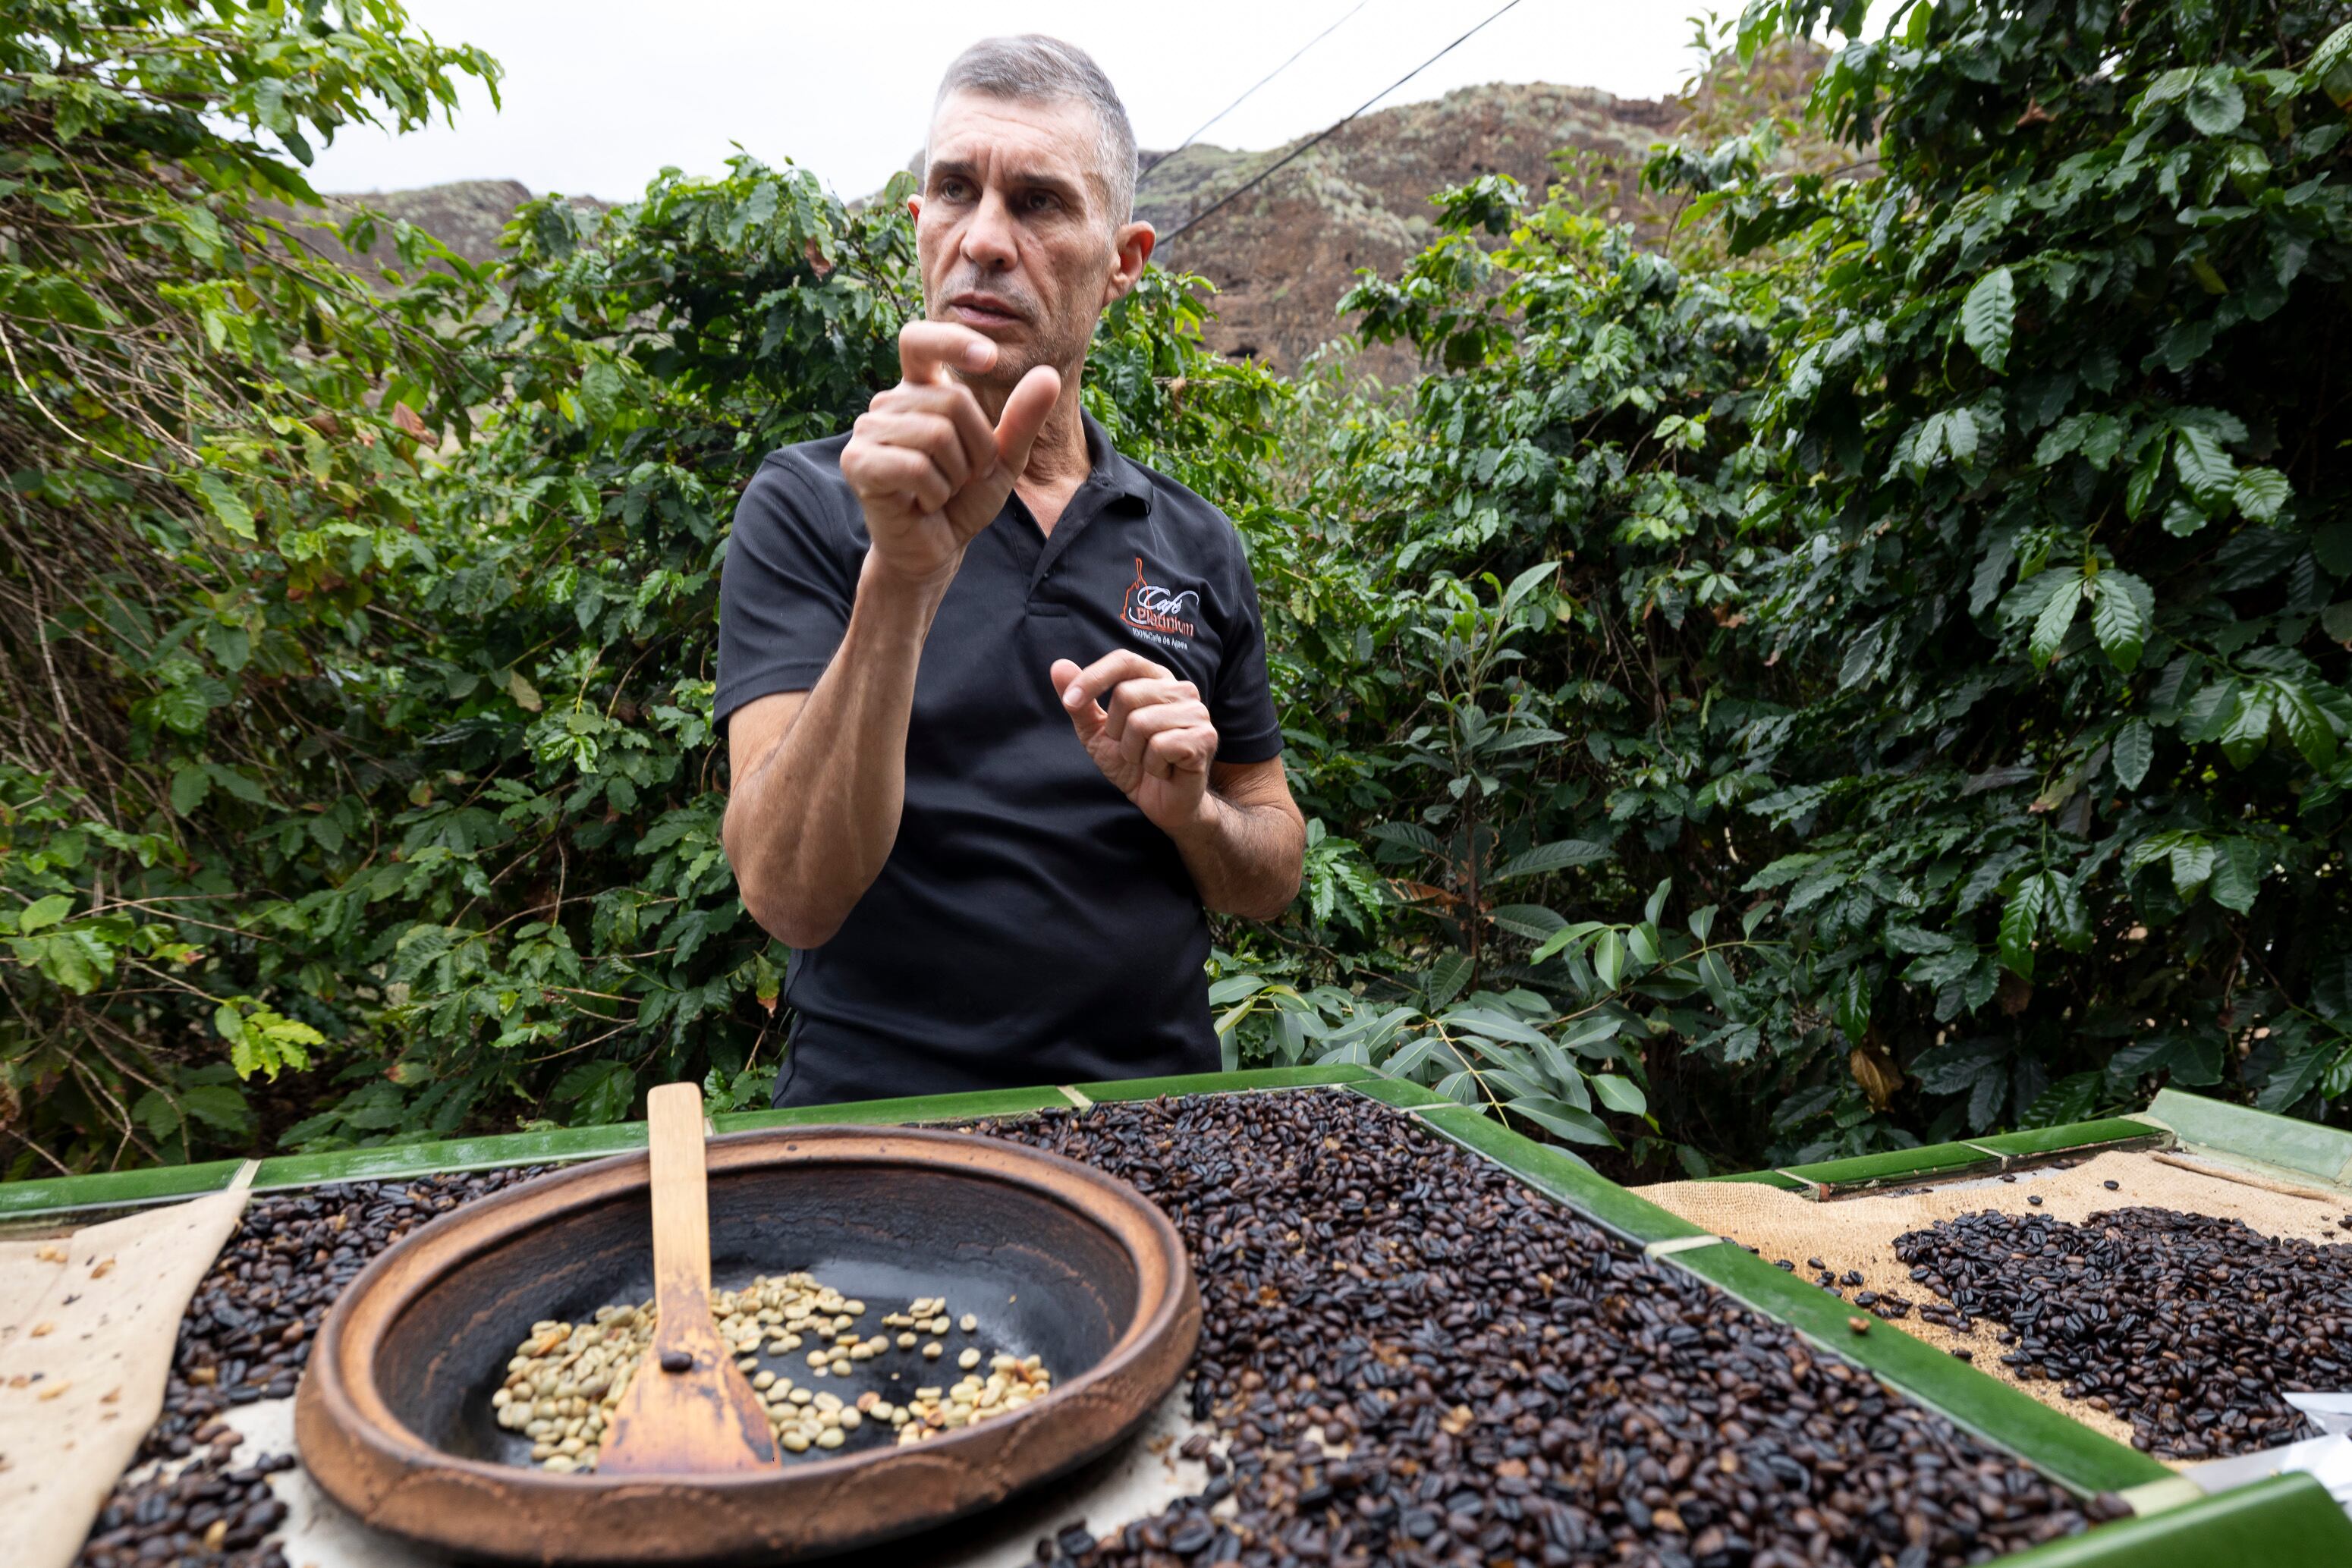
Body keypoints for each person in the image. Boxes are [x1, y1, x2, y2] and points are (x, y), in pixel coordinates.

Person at [717, 35, 1306, 1108]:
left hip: (1158, 1127)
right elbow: (788, 896)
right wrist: (899, 579)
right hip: (885, 1134)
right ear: (919, 228)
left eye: (1037, 202)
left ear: (1124, 259)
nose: (985, 239)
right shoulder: (808, 503)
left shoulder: (1193, 541)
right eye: (955, 190)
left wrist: (1196, 818)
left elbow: (1271, 865)